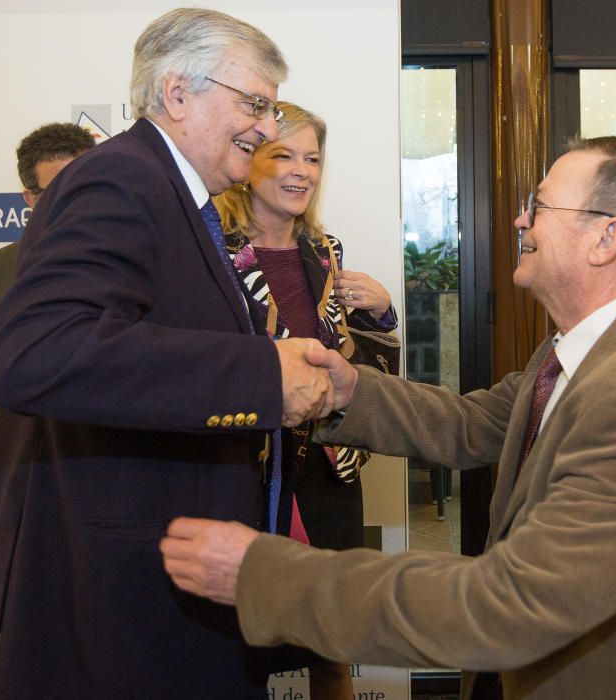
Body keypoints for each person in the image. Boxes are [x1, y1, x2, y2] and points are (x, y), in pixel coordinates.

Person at [161, 136, 616, 699]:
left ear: (606, 238)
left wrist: (264, 575)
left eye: (540, 208)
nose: (520, 220)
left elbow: (514, 603)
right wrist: (347, 391)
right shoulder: (585, 351)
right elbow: (472, 423)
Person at [0, 9, 332, 699]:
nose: (268, 128)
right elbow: (33, 354)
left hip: (164, 591)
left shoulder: (181, 198)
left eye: (273, 109)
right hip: (120, 612)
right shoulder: (122, 179)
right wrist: (258, 375)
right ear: (178, 93)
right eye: (255, 103)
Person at [214, 101, 397, 697]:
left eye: (313, 158)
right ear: (248, 161)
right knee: (236, 644)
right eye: (284, 155)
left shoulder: (326, 251)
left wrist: (383, 313)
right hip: (244, 471)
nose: (302, 171)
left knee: (332, 642)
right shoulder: (211, 249)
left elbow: (357, 361)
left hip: (326, 467)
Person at [0, 122, 95, 530]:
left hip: (115, 489)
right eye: (55, 192)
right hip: (28, 492)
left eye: (84, 184)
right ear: (30, 198)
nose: (73, 201)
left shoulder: (145, 262)